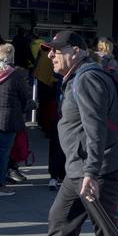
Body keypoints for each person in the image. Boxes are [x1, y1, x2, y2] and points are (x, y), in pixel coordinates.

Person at [19, 31, 118, 236]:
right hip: (78, 169)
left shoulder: (88, 78)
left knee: (106, 229)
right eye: (49, 50)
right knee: (59, 222)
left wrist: (91, 173)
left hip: (97, 169)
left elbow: (97, 130)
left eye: (57, 50)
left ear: (77, 51)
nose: (51, 55)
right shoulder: (75, 78)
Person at [0, 44, 32, 197]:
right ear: (11, 56)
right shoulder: (15, 74)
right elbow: (25, 98)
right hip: (8, 120)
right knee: (3, 152)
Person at [32, 38, 66, 189]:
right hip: (59, 111)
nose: (51, 55)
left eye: (56, 52)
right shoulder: (61, 72)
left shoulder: (43, 56)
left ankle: (55, 176)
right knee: (60, 146)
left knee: (56, 145)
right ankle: (58, 176)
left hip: (59, 111)